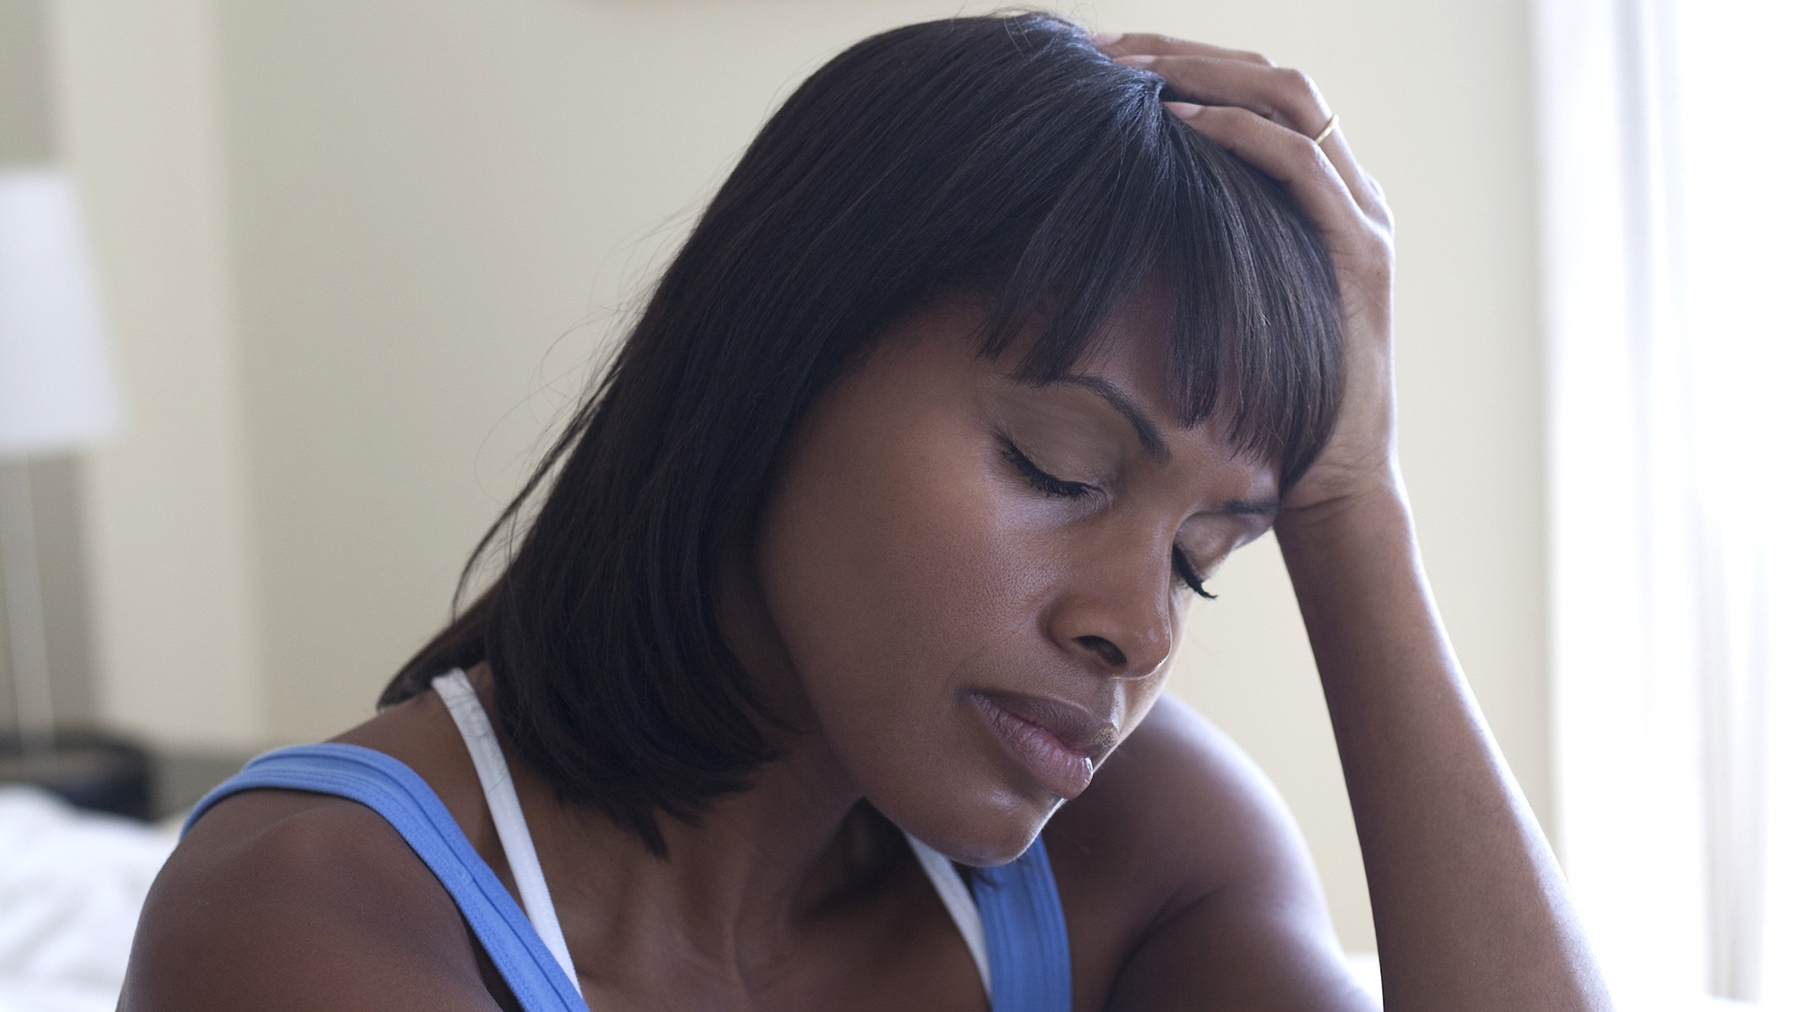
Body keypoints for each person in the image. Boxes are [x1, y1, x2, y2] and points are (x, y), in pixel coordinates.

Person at [121, 13, 1611, 1011]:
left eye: (1202, 558)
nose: (1139, 628)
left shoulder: (1139, 849)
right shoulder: (308, 921)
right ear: (778, 363)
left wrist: (1355, 509)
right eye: (1058, 468)